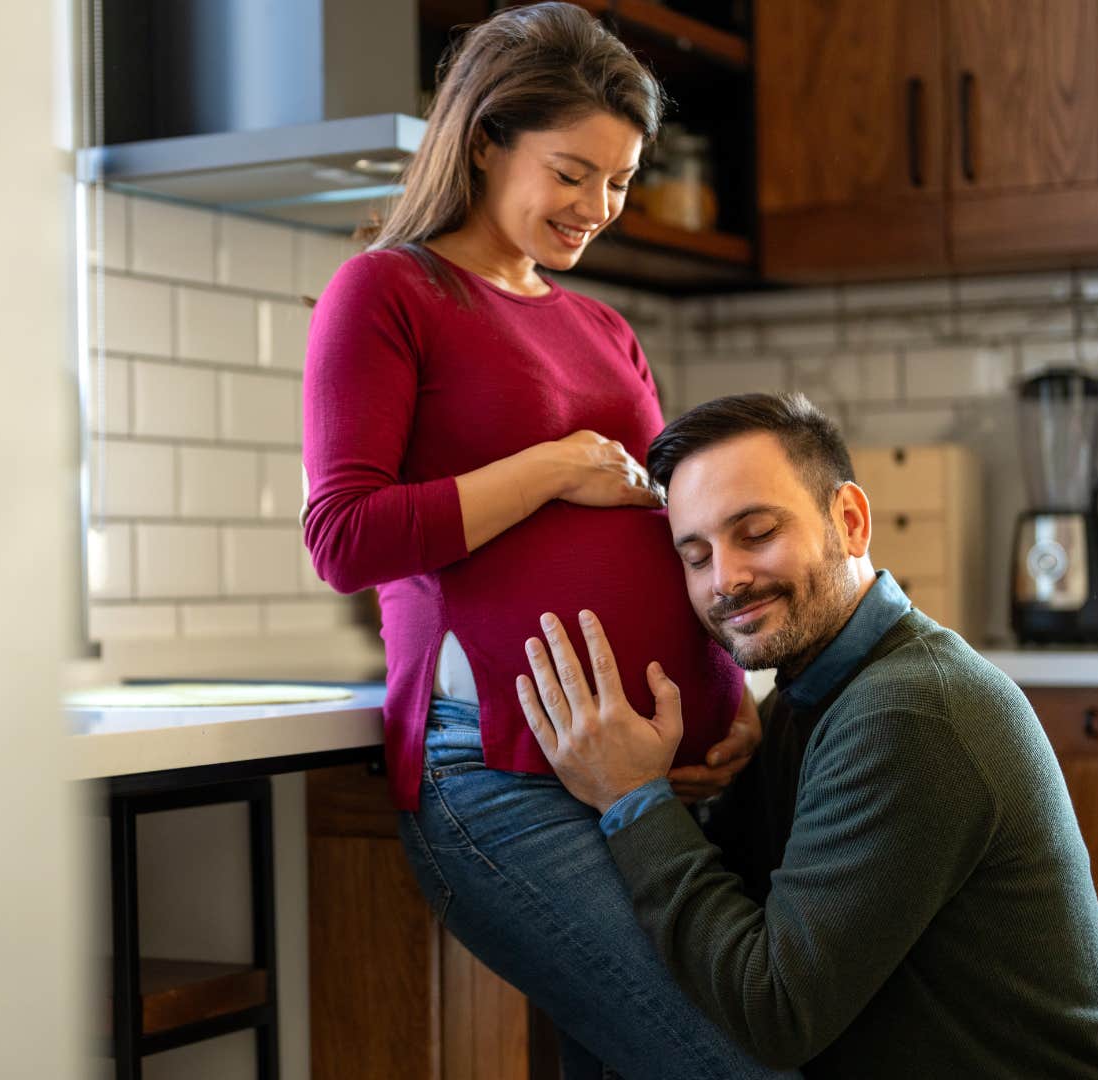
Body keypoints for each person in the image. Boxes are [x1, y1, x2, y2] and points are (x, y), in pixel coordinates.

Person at [300, 5, 785, 1077]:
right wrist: (552, 468)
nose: (598, 209)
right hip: (501, 777)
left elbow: (683, 532)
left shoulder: (603, 325)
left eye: (618, 183)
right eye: (574, 172)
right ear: (484, 138)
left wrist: (735, 695)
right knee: (731, 1062)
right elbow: (341, 536)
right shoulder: (388, 291)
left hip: (656, 778)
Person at [515, 393, 1098, 1078]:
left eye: (756, 533)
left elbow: (776, 1013)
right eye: (696, 556)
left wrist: (632, 799)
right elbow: (736, 890)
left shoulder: (908, 714)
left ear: (849, 521)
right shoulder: (814, 695)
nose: (724, 580)